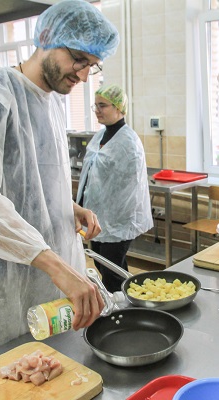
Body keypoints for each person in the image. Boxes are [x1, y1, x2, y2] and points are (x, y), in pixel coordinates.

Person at [0, 0, 119, 373]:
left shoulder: (52, 103)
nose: (84, 76)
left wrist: (71, 208)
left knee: (47, 370)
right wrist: (55, 265)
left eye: (92, 65)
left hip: (47, 271)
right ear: (48, 37)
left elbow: (33, 184)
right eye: (79, 60)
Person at [77, 85, 153, 292]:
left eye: (103, 105)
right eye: (96, 105)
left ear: (119, 107)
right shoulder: (100, 136)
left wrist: (114, 218)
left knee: (112, 269)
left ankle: (122, 306)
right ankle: (127, 299)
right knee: (103, 264)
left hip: (119, 219)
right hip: (97, 216)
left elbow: (130, 189)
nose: (97, 110)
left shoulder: (128, 142)